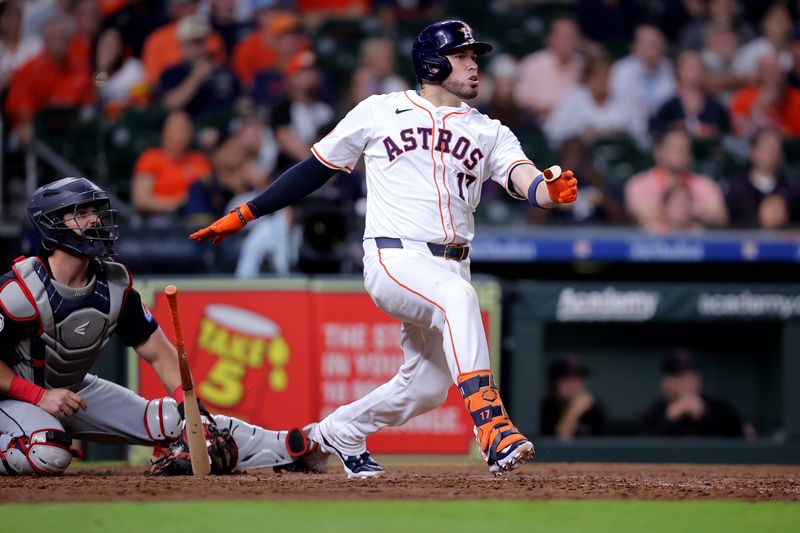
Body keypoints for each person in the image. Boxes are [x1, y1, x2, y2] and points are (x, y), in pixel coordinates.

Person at [190, 20, 578, 478]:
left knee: (426, 388)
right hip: (394, 257)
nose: (475, 64)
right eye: (463, 55)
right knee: (459, 301)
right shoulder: (380, 111)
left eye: (476, 56)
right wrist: (246, 213)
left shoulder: (489, 131)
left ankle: (337, 431)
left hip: (452, 266)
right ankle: (491, 426)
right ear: (433, 63)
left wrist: (548, 191)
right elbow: (314, 169)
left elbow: (523, 177)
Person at [0, 177, 312, 475]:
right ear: (51, 224)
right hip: (15, 397)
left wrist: (193, 410)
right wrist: (39, 397)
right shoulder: (19, 290)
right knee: (48, 451)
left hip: (72, 390)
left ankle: (287, 446)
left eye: (94, 212)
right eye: (81, 213)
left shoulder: (114, 285)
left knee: (185, 424)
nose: (94, 220)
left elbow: (161, 355)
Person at [625, 128, 728, 232]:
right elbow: (643, 214)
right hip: (653, 245)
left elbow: (719, 217)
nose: (680, 153)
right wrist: (689, 213)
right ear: (658, 152)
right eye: (674, 148)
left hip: (694, 243)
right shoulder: (640, 183)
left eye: (685, 148)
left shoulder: (704, 184)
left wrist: (685, 210)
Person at [637, 349, 752, 438]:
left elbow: (739, 443)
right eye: (680, 376)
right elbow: (643, 449)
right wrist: (670, 419)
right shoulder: (651, 413)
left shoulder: (720, 408)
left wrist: (704, 416)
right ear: (666, 383)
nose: (688, 382)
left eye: (692, 375)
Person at [540, 355, 607, 439]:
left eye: (578, 378)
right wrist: (573, 412)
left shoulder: (594, 408)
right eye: (567, 379)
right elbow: (559, 441)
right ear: (554, 384)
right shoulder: (546, 408)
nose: (575, 385)